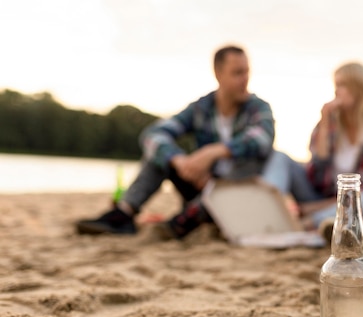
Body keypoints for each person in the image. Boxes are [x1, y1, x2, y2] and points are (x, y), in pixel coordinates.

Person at [76, 45, 275, 238]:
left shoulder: (258, 108)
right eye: (237, 73)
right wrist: (179, 161)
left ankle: (183, 221)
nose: (245, 79)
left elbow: (262, 140)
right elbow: (153, 134)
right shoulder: (201, 108)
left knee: (254, 159)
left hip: (235, 194)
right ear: (218, 74)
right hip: (200, 186)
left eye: (247, 72)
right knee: (160, 152)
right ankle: (124, 214)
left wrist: (213, 152)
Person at [262, 62, 363, 233]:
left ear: (358, 88)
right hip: (320, 196)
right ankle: (266, 214)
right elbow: (316, 171)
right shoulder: (330, 124)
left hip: (354, 201)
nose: (336, 91)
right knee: (279, 157)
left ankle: (314, 221)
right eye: (336, 85)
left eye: (342, 85)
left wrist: (318, 207)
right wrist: (325, 123)